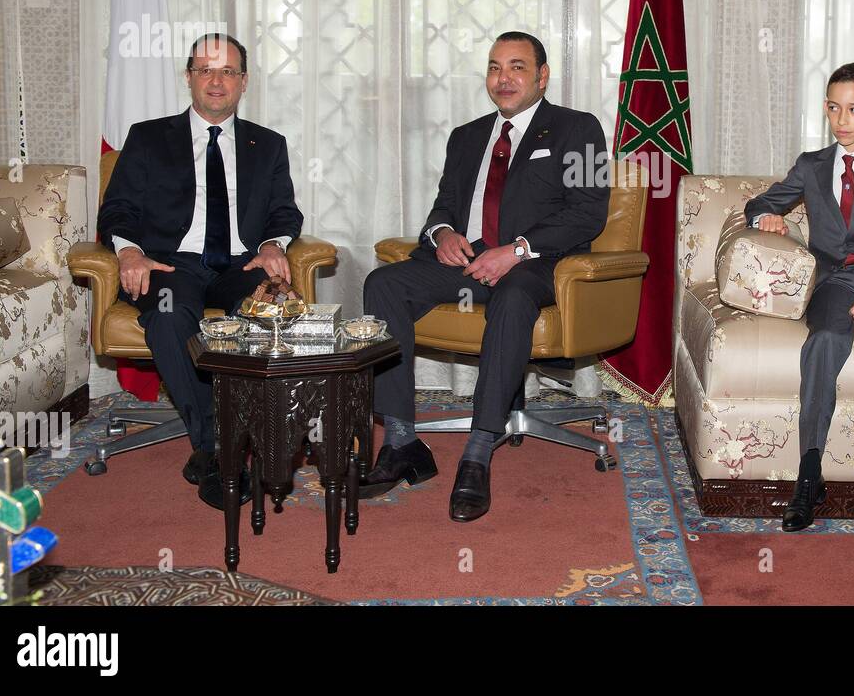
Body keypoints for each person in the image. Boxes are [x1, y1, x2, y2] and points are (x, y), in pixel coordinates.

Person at [361, 31, 610, 522]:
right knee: (381, 283)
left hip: (536, 265)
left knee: (513, 297)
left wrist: (515, 250)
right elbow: (442, 208)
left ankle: (478, 449)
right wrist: (443, 234)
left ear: (542, 75)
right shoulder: (468, 135)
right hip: (467, 261)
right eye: (495, 67)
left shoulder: (578, 130)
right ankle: (401, 441)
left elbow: (587, 215)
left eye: (517, 67)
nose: (504, 78)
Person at [98, 32, 303, 509]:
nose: (217, 80)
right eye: (206, 70)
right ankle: (215, 447)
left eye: (228, 71)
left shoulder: (268, 145)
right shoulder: (148, 137)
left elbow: (285, 212)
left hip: (241, 261)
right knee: (170, 315)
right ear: (189, 77)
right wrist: (129, 253)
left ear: (244, 82)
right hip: (171, 263)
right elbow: (118, 210)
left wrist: (274, 244)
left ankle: (273, 432)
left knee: (276, 309)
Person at [745, 63, 854, 549]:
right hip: (834, 282)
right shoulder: (811, 164)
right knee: (823, 342)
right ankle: (809, 475)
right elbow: (761, 202)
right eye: (832, 107)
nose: (841, 119)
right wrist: (767, 217)